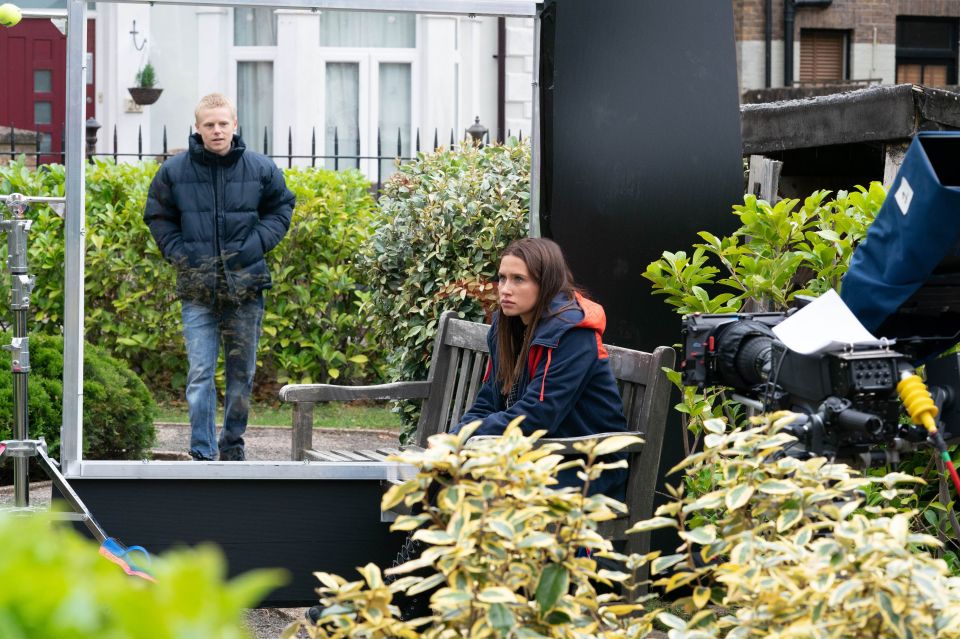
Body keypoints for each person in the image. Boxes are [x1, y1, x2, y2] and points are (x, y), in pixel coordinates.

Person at [144, 93, 294, 461]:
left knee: (241, 377)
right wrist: (182, 255)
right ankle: (202, 452)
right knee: (200, 375)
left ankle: (232, 445)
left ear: (235, 125)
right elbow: (158, 216)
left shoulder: (260, 168)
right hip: (197, 292)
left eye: (223, 123)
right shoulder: (174, 171)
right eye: (209, 124)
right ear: (197, 128)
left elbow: (281, 207)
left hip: (246, 290)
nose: (216, 130)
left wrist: (255, 245)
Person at [453, 237, 629, 498]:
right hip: (539, 454)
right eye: (502, 278)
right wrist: (455, 438)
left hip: (584, 464)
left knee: (474, 492)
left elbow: (538, 413)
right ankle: (418, 540)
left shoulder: (571, 334)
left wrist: (469, 440)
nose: (505, 289)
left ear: (545, 282)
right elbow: (488, 401)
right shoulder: (507, 326)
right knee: (442, 477)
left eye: (518, 279)